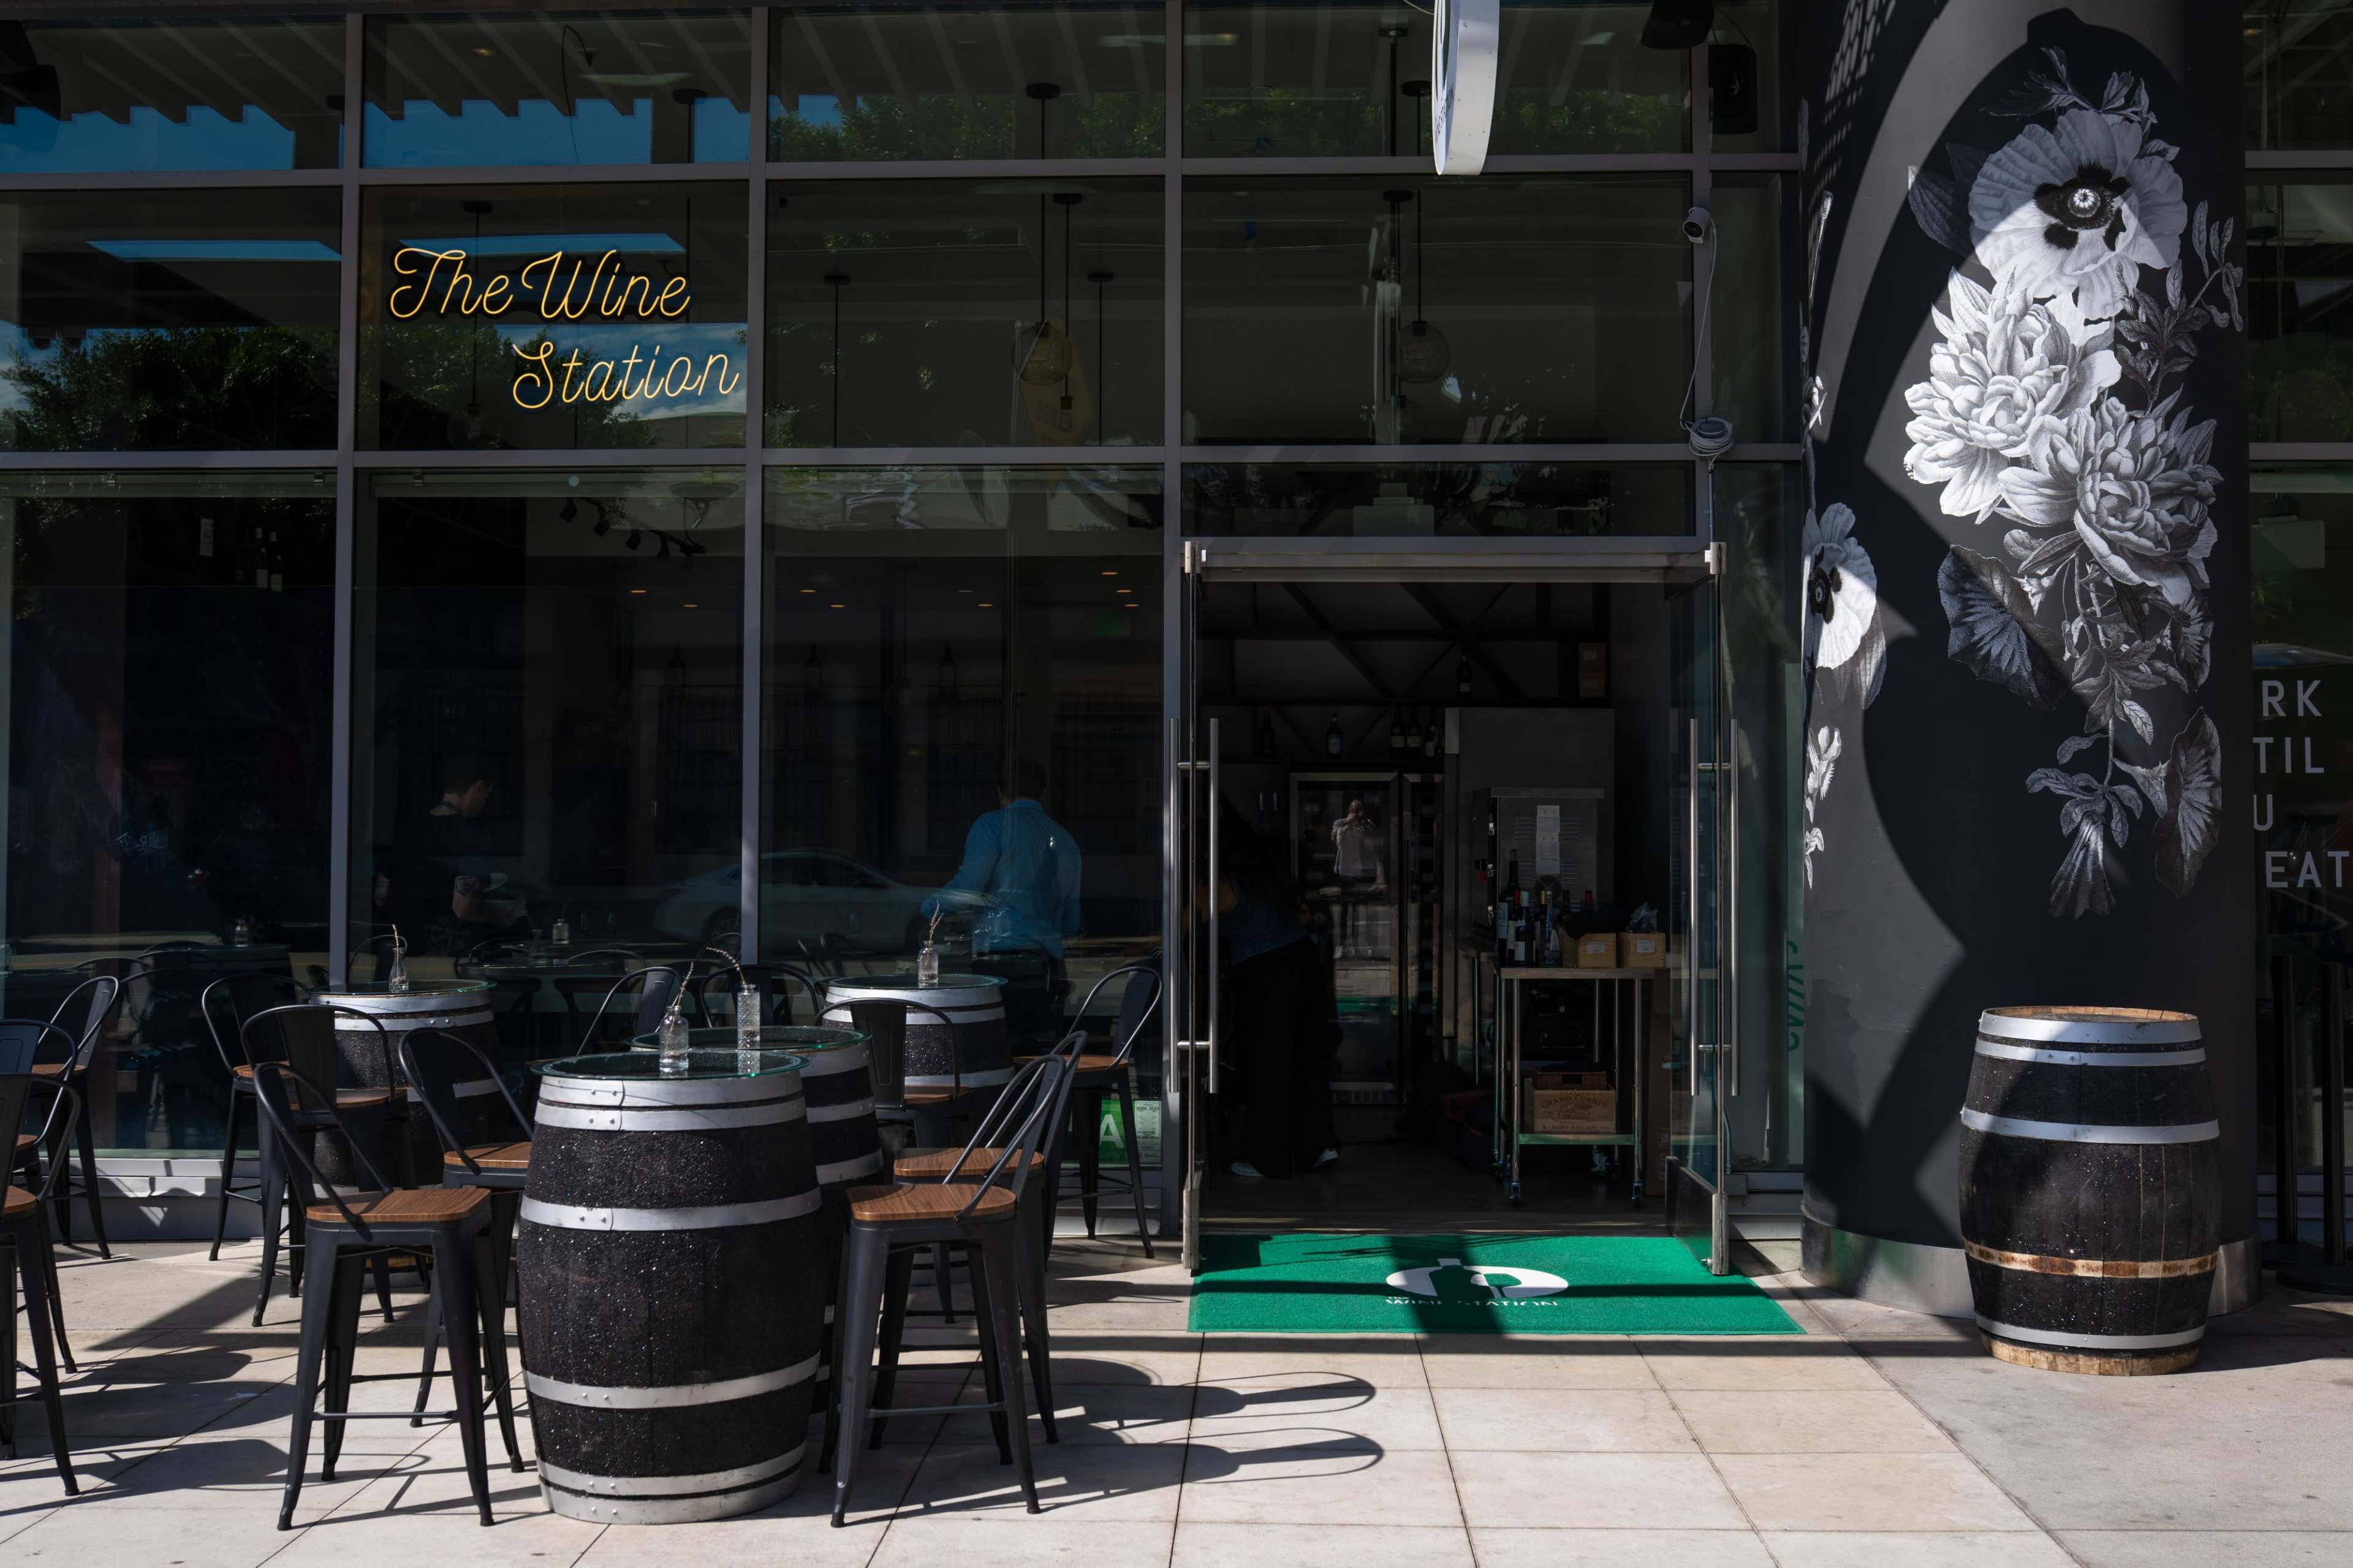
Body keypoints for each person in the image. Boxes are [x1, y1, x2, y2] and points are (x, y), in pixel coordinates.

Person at [1219, 809, 1339, 1179]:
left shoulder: (1226, 882)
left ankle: (1267, 1159)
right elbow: (1303, 917)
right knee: (1307, 1056)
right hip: (1303, 961)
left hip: (1264, 971)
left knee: (1267, 1063)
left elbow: (1194, 916)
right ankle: (1319, 1147)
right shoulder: (1274, 876)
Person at [930, 757, 1081, 1039]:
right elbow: (1072, 921)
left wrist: (929, 908)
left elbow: (968, 887)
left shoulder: (992, 826)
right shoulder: (1065, 839)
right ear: (1044, 794)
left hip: (998, 964)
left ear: (1001, 793)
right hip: (1046, 970)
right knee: (1037, 1048)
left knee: (992, 1047)